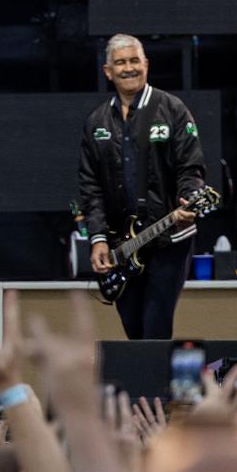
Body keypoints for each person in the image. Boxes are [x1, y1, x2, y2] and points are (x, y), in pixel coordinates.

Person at [78, 33, 205, 340]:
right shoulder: (97, 122)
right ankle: (144, 388)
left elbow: (192, 168)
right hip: (123, 244)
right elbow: (89, 185)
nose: (129, 68)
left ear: (147, 65)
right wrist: (97, 239)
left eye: (135, 60)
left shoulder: (171, 108)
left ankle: (157, 388)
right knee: (134, 331)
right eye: (120, 62)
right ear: (108, 71)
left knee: (156, 327)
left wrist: (188, 201)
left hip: (168, 237)